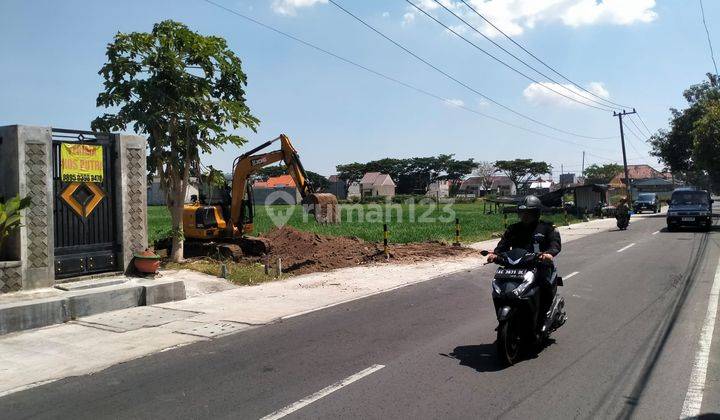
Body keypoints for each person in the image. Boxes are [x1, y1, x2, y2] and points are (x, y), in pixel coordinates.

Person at [487, 195, 561, 321]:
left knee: (544, 285)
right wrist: (495, 255)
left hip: (539, 265)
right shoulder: (513, 229)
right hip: (516, 266)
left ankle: (544, 315)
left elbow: (555, 244)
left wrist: (549, 254)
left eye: (529, 213)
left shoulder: (547, 228)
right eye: (522, 213)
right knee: (500, 287)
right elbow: (502, 246)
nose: (525, 216)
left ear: (536, 213)